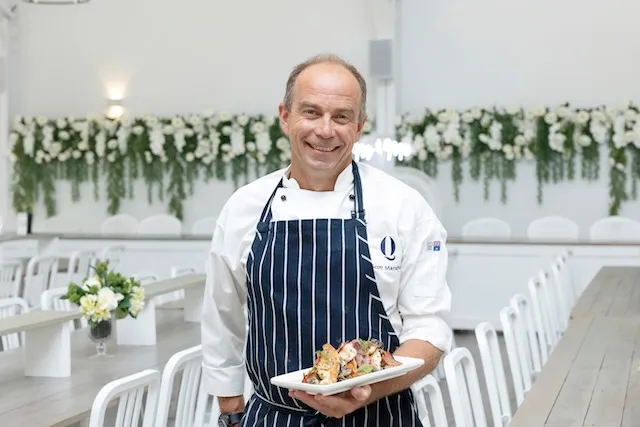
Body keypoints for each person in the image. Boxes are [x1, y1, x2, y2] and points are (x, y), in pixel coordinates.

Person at [201, 53, 453, 427]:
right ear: (285, 116)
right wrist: (230, 409)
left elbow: (429, 329)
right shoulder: (244, 208)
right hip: (275, 417)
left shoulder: (403, 208)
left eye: (341, 117)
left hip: (379, 415)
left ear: (360, 126)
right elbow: (223, 319)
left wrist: (367, 391)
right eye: (311, 112)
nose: (325, 130)